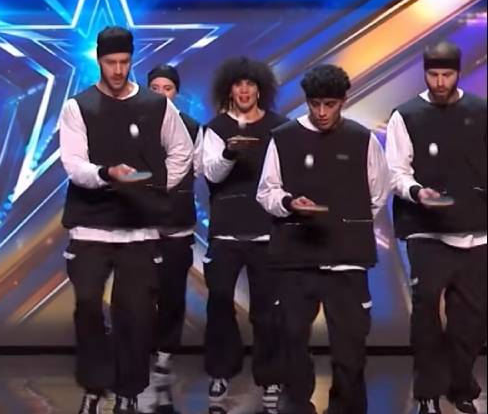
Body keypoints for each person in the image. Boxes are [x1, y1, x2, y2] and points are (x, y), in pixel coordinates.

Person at [59, 27, 193, 414]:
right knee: (88, 306)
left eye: (124, 62)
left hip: (139, 229)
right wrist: (106, 174)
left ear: (132, 60)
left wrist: (158, 186)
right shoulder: (78, 107)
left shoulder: (156, 105)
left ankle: (128, 391)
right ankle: (94, 386)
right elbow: (74, 164)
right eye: (110, 62)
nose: (117, 70)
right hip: (91, 226)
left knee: (134, 314)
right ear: (98, 61)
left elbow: (182, 150)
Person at [256, 64, 389, 414]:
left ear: (343, 101)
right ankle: (297, 404)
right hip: (296, 259)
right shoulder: (284, 138)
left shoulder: (362, 139)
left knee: (349, 348)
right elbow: (267, 191)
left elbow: (378, 193)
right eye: (315, 104)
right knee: (291, 339)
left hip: (347, 261)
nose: (322, 112)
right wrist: (289, 203)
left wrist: (346, 225)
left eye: (329, 104)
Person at [386, 41, 487, 414]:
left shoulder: (481, 111)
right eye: (433, 74)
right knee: (426, 314)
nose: (440, 82)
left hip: (477, 231)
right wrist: (416, 192)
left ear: (458, 73)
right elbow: (396, 171)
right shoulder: (406, 115)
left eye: (447, 74)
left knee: (471, 321)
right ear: (424, 73)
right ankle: (427, 393)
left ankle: (461, 388)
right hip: (426, 231)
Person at [202, 57, 287, 414]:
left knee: (267, 311)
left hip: (266, 233)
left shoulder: (279, 128)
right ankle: (221, 371)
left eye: (250, 84)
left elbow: (284, 176)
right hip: (225, 234)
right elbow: (210, 173)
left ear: (260, 89)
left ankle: (270, 377)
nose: (244, 90)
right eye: (238, 84)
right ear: (229, 89)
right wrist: (229, 152)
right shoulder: (215, 128)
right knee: (220, 302)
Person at [143, 64, 202, 414]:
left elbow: (197, 169)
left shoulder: (192, 127)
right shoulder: (134, 123)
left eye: (167, 87)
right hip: (140, 226)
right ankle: (138, 352)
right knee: (138, 294)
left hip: (177, 224)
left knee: (172, 295)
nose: (161, 93)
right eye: (155, 87)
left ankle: (165, 354)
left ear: (176, 92)